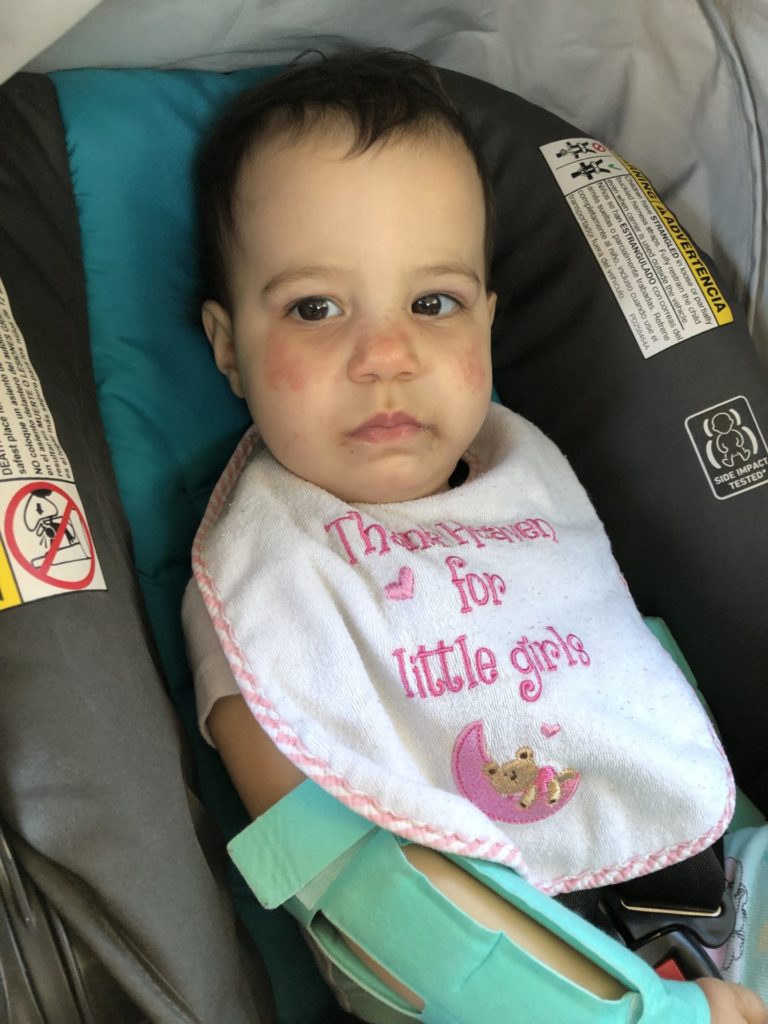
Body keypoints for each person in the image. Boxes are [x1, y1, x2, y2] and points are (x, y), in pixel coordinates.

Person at [184, 48, 767, 1023]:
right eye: (316, 308)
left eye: (435, 303)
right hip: (476, 968)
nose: (386, 355)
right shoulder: (266, 576)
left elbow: (635, 675)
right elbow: (344, 875)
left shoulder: (523, 482)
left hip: (716, 882)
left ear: (489, 328)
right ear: (227, 345)